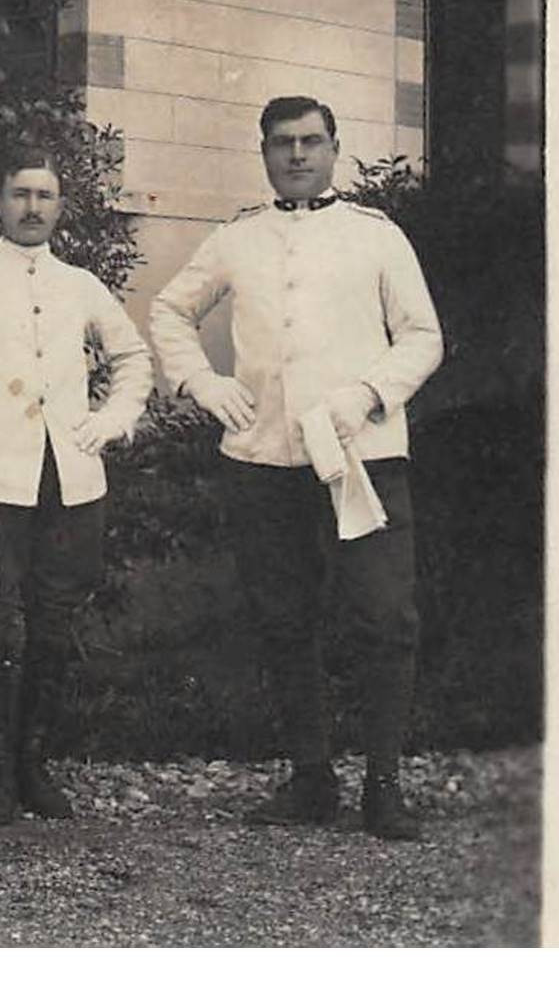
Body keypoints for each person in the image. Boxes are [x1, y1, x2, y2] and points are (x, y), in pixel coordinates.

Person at [149, 96, 443, 840]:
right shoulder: (237, 238)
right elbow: (168, 313)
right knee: (283, 621)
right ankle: (310, 778)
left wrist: (367, 394)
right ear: (264, 154)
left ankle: (383, 785)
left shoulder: (375, 237)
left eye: (312, 142)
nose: (298, 156)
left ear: (335, 149)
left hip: (360, 456)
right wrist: (204, 384)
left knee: (384, 618)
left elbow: (421, 336)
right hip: (263, 458)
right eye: (283, 144)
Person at [0, 146, 152, 824]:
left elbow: (132, 358)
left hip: (70, 483)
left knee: (54, 627)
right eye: (19, 194)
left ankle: (33, 766)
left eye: (44, 196)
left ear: (59, 206)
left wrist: (110, 419)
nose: (31, 208)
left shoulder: (80, 285)